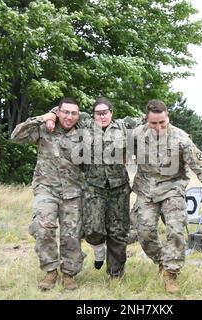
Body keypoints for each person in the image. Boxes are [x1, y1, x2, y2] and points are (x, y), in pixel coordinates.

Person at [131, 99, 202, 293]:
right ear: (146, 120)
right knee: (144, 233)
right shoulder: (136, 133)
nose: (158, 127)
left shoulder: (181, 139)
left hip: (172, 189)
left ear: (168, 118)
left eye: (162, 123)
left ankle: (171, 272)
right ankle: (162, 261)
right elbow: (112, 126)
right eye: (153, 123)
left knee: (175, 231)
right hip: (146, 190)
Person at [11, 97, 85, 291]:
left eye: (74, 113)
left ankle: (69, 273)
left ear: (78, 115)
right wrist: (43, 118)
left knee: (72, 234)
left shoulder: (84, 132)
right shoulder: (45, 128)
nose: (69, 116)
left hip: (73, 191)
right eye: (65, 112)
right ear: (58, 112)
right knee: (44, 227)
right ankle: (51, 270)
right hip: (46, 188)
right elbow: (16, 136)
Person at [81, 97, 144, 279]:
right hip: (94, 186)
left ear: (111, 113)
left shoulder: (124, 126)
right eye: (98, 113)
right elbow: (63, 110)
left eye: (105, 113)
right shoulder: (84, 125)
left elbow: (147, 118)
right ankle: (99, 249)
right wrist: (51, 116)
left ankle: (116, 274)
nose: (102, 116)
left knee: (118, 232)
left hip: (118, 188)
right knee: (93, 229)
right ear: (93, 114)